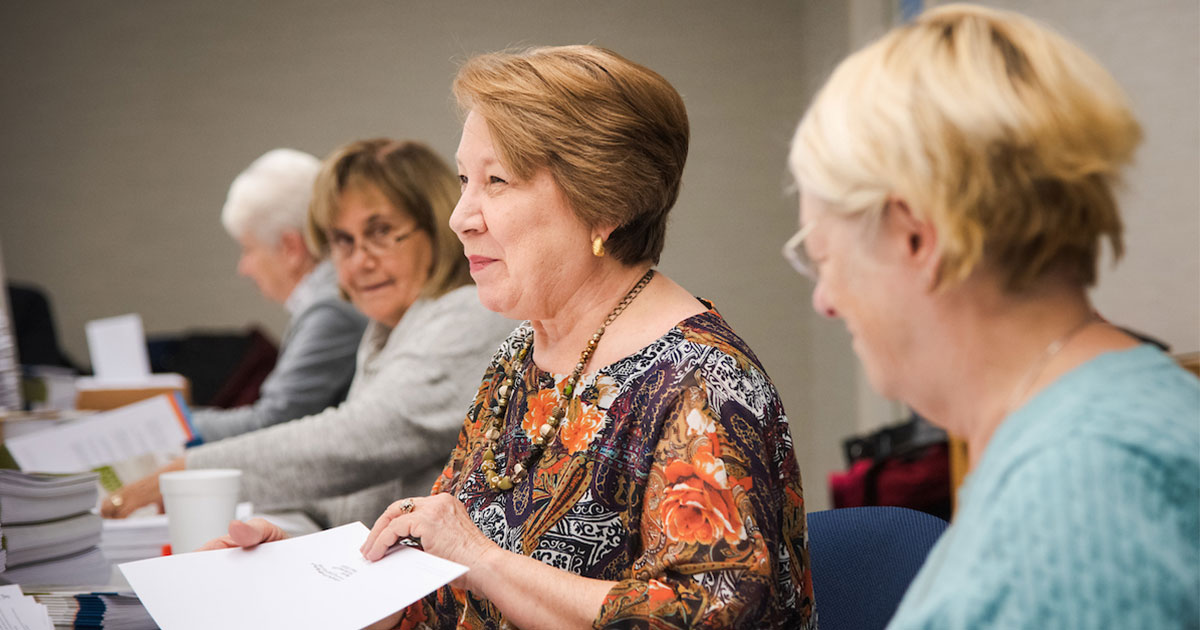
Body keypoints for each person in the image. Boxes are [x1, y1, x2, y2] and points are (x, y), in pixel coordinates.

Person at [208, 46, 815, 629]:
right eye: (463, 179)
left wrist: (483, 561)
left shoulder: (702, 384)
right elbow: (444, 583)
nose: (459, 217)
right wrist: (309, 581)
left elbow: (711, 614)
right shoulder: (521, 355)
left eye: (496, 181)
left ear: (605, 205)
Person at [785, 4, 1199, 627]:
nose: (825, 300)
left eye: (822, 256)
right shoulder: (1084, 429)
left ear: (915, 238)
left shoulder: (1080, 491)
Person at [101, 139, 516, 528]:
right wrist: (279, 532)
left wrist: (189, 472)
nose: (359, 261)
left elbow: (358, 442)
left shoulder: (471, 312)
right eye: (343, 241)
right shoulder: (387, 328)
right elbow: (352, 497)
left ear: (437, 226)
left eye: (380, 232)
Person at [191, 148, 367, 443]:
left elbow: (273, 424)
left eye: (248, 249)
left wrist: (172, 425)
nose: (243, 268)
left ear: (290, 248)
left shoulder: (332, 309)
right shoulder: (325, 299)